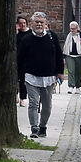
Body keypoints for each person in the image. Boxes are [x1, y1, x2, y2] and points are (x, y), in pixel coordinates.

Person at [17, 11, 65, 139]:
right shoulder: (26, 39)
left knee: (47, 105)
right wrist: (19, 76)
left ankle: (43, 126)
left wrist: (60, 72)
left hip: (48, 77)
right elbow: (20, 59)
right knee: (33, 103)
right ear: (32, 23)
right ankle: (34, 127)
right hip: (31, 76)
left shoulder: (52, 37)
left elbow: (59, 56)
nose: (39, 24)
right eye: (36, 22)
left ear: (45, 24)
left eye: (41, 22)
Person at [63, 19, 81, 89]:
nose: (72, 30)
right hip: (69, 55)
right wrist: (64, 57)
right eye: (71, 29)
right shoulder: (68, 36)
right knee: (71, 70)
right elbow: (65, 47)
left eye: (73, 29)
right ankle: (71, 86)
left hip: (79, 56)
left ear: (77, 28)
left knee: (78, 71)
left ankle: (78, 86)